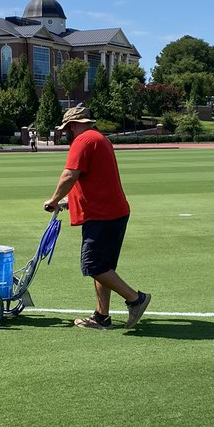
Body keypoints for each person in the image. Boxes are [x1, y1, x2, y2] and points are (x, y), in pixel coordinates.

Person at [43, 105, 151, 330]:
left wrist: (53, 200)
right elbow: (95, 181)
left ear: (73, 125)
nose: (67, 133)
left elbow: (69, 175)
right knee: (103, 267)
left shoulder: (82, 141)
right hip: (114, 212)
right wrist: (67, 202)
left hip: (103, 215)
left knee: (93, 265)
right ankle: (102, 317)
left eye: (67, 128)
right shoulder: (100, 139)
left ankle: (135, 299)